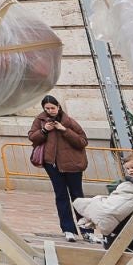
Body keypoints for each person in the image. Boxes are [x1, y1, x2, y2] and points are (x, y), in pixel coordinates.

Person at [27, 94, 89, 240]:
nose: (50, 111)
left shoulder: (69, 121)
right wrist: (44, 130)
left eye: (52, 108)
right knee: (61, 196)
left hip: (73, 165)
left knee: (78, 196)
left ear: (58, 107)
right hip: (53, 165)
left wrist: (64, 130)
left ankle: (87, 230)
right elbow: (32, 137)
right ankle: (68, 229)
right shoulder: (40, 120)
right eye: (47, 108)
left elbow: (82, 141)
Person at [72, 149, 133, 244]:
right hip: (123, 195)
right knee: (101, 200)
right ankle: (91, 216)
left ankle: (94, 217)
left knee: (112, 209)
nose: (130, 171)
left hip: (131, 197)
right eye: (128, 169)